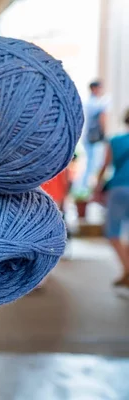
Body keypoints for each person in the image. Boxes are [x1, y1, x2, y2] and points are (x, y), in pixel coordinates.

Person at [93, 108, 129, 293]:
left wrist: (97, 188)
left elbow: (104, 167)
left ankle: (127, 269)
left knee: (113, 232)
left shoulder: (115, 141)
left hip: (119, 189)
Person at [77, 81, 108, 194]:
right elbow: (102, 119)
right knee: (94, 164)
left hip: (87, 137)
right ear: (95, 89)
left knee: (89, 163)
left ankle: (83, 187)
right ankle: (86, 189)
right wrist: (104, 134)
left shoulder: (87, 102)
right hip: (95, 138)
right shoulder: (98, 103)